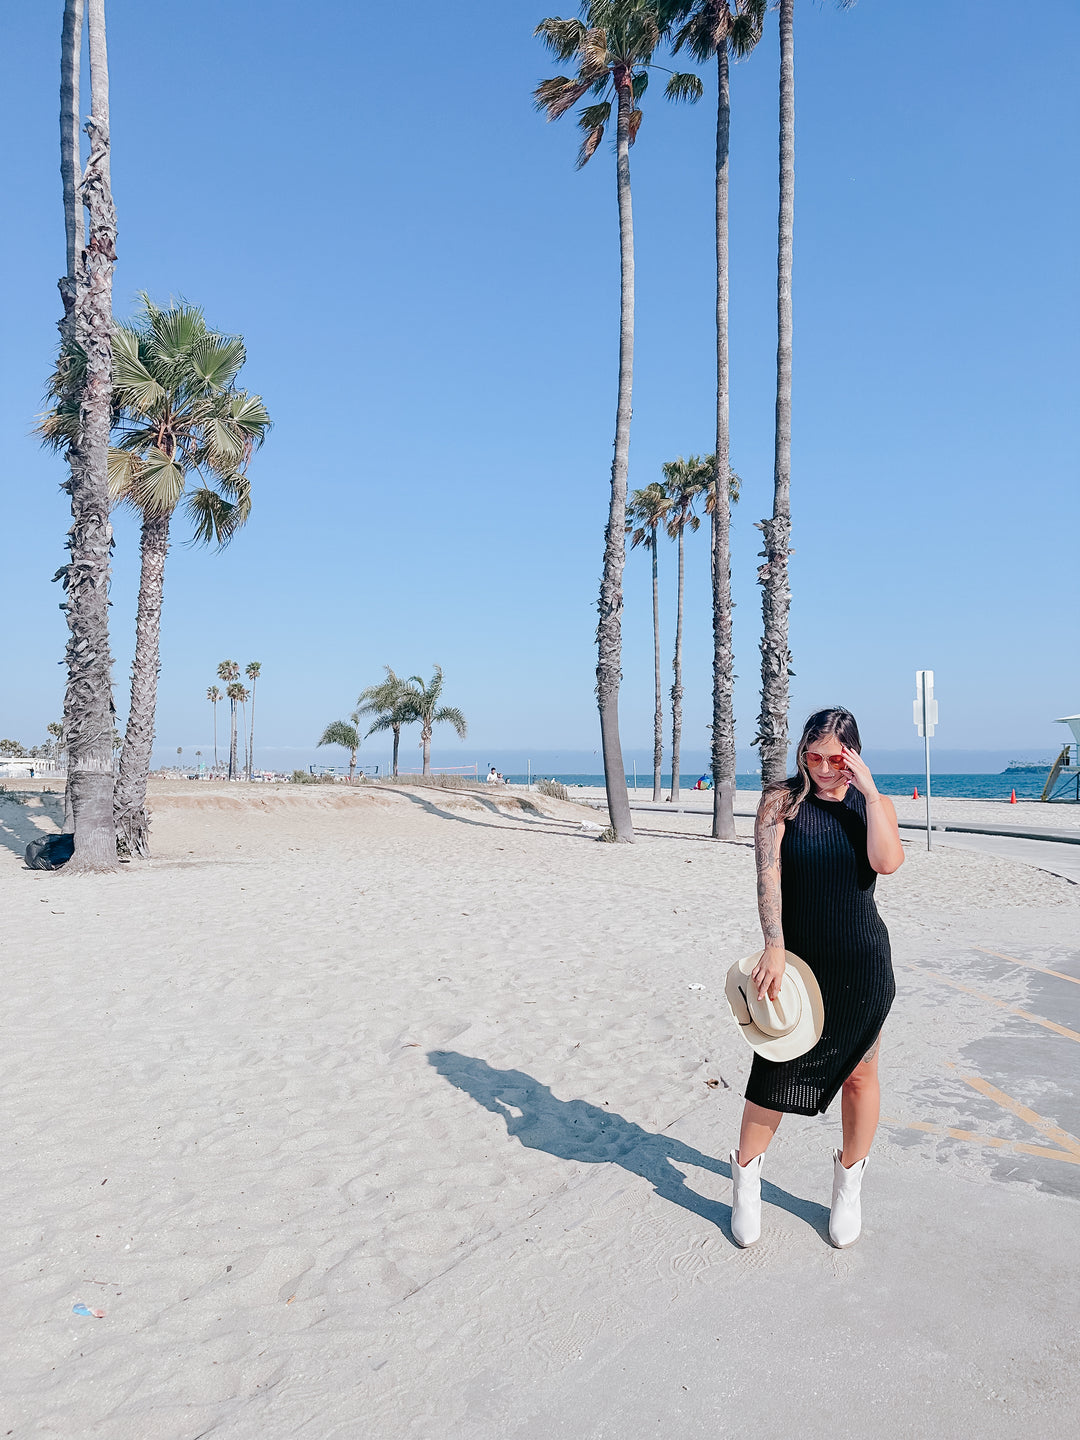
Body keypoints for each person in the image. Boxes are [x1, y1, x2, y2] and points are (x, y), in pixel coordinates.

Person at [730, 707, 904, 1249]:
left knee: (859, 1076)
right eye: (813, 756)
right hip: (798, 965)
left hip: (862, 965)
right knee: (774, 1074)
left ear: (853, 754)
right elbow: (767, 875)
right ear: (801, 753)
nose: (824, 769)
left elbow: (887, 862)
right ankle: (746, 1181)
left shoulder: (871, 805)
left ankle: (848, 1186)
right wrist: (774, 945)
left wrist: (871, 795)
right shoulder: (780, 802)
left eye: (836, 758)